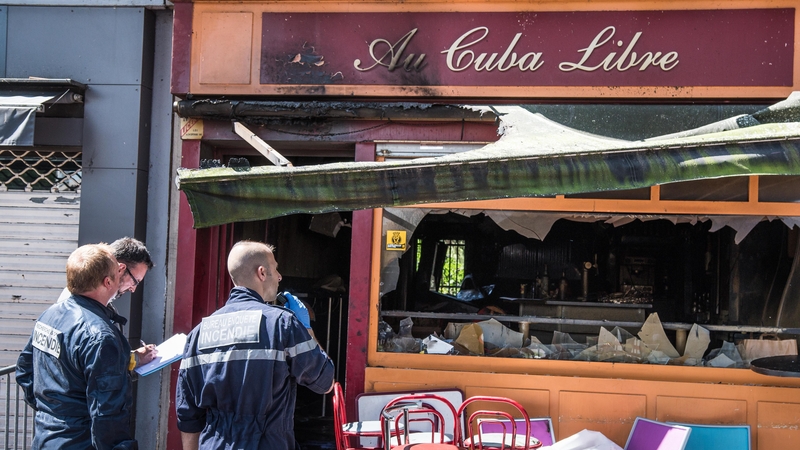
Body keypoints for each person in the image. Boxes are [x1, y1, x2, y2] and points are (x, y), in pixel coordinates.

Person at [176, 241, 335, 450]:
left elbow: (187, 414)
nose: (279, 277)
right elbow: (325, 381)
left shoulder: (198, 334)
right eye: (275, 269)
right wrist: (306, 328)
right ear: (262, 273)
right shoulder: (281, 324)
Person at [15, 244, 139, 450]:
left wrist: (52, 414)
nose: (121, 273)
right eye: (118, 270)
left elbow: (24, 371)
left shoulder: (50, 315)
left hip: (46, 438)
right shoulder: (101, 337)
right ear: (107, 282)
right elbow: (107, 413)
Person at [56, 237, 157, 368]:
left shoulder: (57, 311)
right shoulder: (89, 318)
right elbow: (98, 369)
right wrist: (135, 359)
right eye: (135, 281)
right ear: (120, 268)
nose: (133, 289)